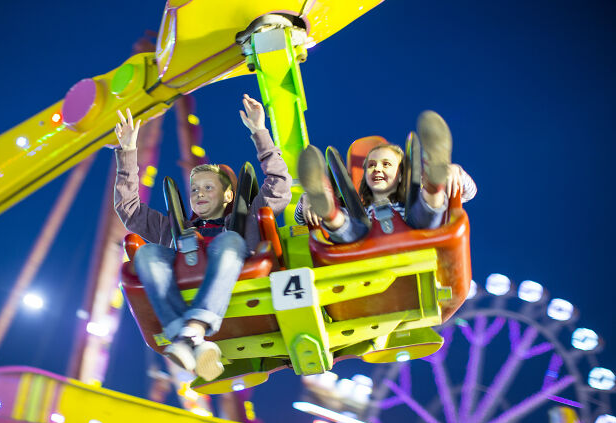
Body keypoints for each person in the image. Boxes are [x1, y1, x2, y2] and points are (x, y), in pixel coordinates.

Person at [113, 95, 292, 381]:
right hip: (185, 275)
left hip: (240, 275)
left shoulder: (245, 219)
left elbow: (280, 187)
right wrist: (128, 152)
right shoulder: (174, 228)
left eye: (208, 188)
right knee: (145, 253)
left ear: (228, 195)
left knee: (229, 241)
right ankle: (186, 338)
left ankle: (193, 327)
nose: (199, 194)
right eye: (195, 189)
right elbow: (129, 209)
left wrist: (260, 132)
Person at [295, 110, 476, 242]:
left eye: (386, 164)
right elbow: (300, 219)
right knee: (350, 224)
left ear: (400, 175)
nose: (377, 169)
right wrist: (307, 201)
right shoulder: (358, 210)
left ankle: (434, 181)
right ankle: (329, 210)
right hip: (365, 244)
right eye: (371, 166)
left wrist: (454, 172)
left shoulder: (411, 203)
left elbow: (470, 192)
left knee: (425, 209)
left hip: (415, 235)